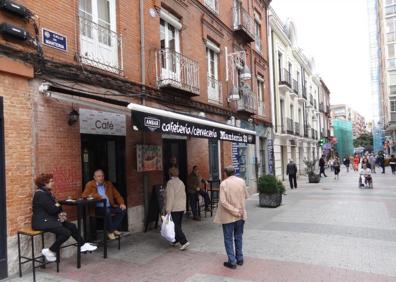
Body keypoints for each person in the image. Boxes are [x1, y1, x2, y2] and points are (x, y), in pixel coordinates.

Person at [32, 173, 97, 262]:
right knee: (66, 233)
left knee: (72, 226)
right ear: (44, 183)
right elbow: (53, 209)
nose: (53, 183)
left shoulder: (47, 193)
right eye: (51, 181)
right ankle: (50, 251)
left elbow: (54, 207)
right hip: (42, 222)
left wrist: (58, 208)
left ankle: (82, 245)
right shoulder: (41, 194)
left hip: (50, 219)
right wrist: (58, 204)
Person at [214, 165, 249, 269]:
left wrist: (234, 210)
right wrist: (239, 209)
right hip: (241, 214)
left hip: (228, 216)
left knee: (228, 238)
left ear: (225, 173)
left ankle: (232, 261)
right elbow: (246, 195)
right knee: (238, 237)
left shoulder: (224, 184)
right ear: (234, 172)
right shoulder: (241, 181)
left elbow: (223, 202)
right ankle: (240, 259)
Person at [82, 169, 126, 240]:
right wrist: (98, 196)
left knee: (122, 210)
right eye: (99, 176)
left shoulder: (108, 184)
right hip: (97, 209)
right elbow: (84, 195)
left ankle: (111, 229)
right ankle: (111, 230)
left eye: (102, 176)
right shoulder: (90, 184)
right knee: (107, 211)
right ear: (94, 177)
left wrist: (121, 203)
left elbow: (117, 195)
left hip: (109, 206)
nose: (101, 178)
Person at [165, 167, 190, 250]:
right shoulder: (181, 182)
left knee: (176, 225)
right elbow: (184, 196)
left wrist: (168, 209)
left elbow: (170, 197)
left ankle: (184, 241)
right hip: (181, 207)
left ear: (170, 173)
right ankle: (175, 240)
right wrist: (185, 207)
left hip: (174, 207)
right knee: (178, 224)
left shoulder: (170, 183)